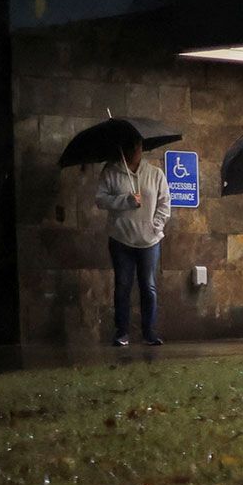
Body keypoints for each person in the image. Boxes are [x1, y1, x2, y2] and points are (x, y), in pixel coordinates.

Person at [94, 137, 169, 347]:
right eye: (129, 148)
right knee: (123, 286)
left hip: (149, 240)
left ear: (141, 149)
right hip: (121, 239)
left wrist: (156, 225)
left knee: (148, 286)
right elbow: (100, 200)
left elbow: (164, 202)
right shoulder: (110, 172)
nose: (133, 152)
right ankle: (122, 332)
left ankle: (149, 332)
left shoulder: (155, 174)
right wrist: (124, 201)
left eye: (136, 148)